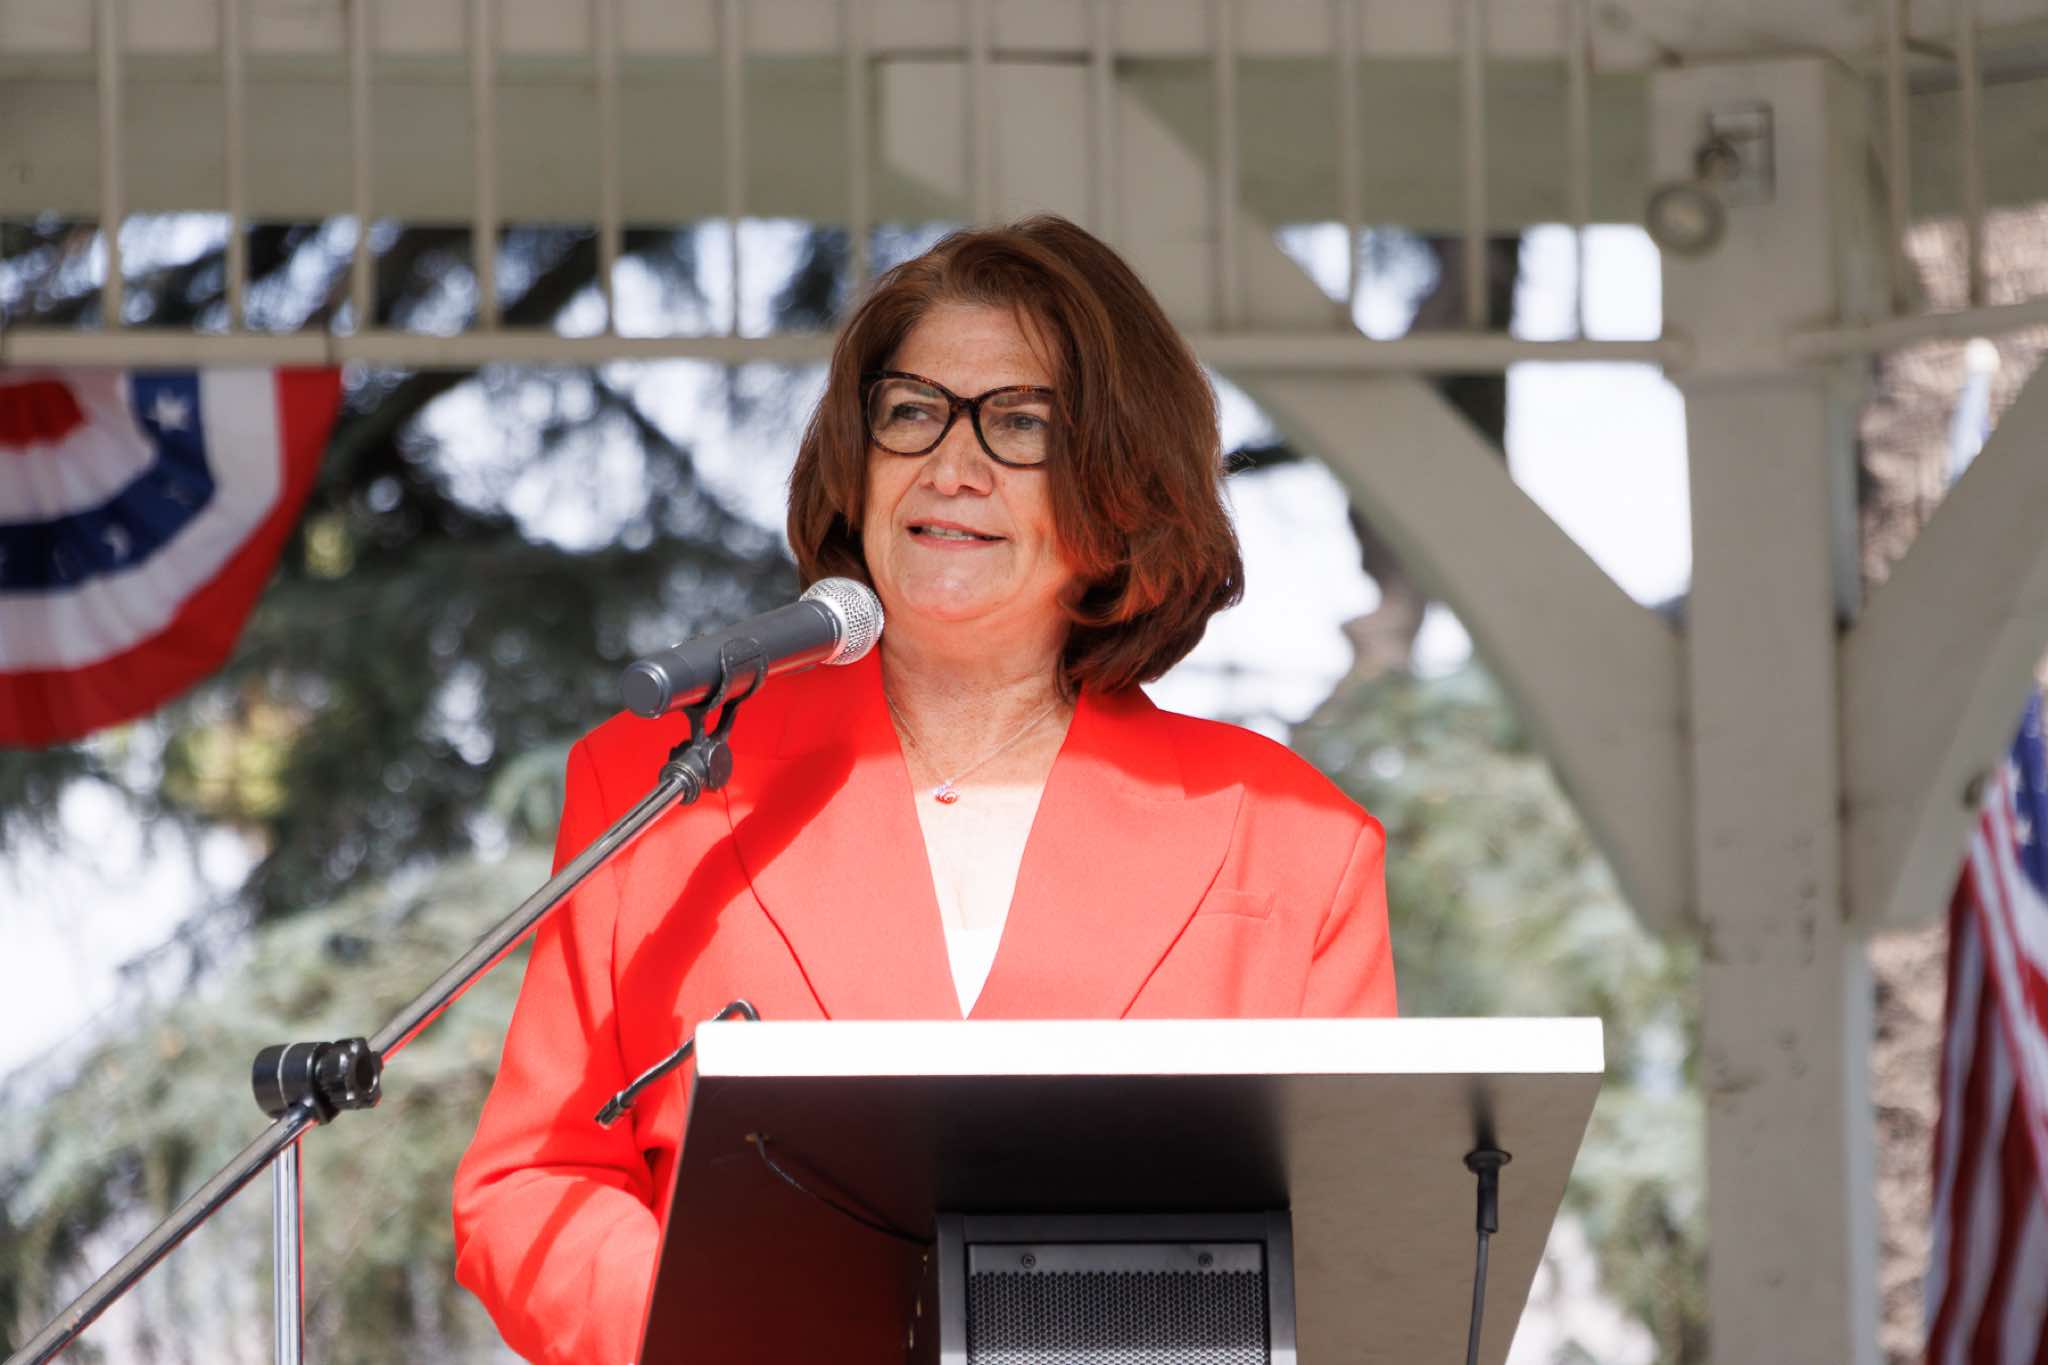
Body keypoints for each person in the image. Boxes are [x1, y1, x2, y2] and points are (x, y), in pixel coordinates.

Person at [452, 215, 1397, 1365]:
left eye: (1020, 423)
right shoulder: (658, 786)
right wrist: (725, 1339)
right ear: (855, 464)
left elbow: (1357, 1248)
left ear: (1123, 489)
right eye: (911, 412)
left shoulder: (1293, 842)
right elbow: (534, 1178)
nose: (951, 467)